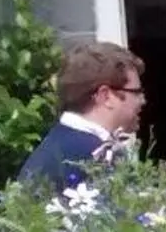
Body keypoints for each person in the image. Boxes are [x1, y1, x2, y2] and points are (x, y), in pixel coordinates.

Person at [16, 40, 146, 187]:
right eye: (136, 92)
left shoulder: (60, 145)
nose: (143, 100)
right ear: (106, 96)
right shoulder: (90, 157)